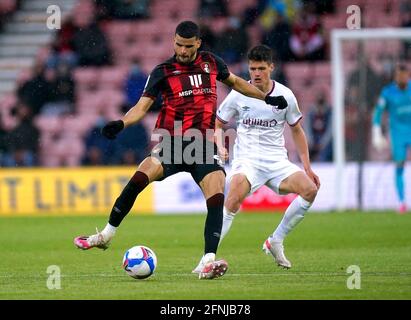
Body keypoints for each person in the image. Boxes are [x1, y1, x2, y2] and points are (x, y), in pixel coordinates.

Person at [74, 21, 288, 280]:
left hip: (202, 145)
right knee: (140, 176)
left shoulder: (212, 63)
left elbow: (237, 83)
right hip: (172, 143)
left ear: (198, 42)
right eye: (178, 44)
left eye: (188, 46)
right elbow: (141, 107)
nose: (183, 51)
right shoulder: (163, 71)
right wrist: (122, 122)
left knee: (217, 190)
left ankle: (208, 260)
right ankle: (106, 235)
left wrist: (265, 98)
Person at [193, 45, 320, 272]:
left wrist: (307, 166)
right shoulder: (238, 94)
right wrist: (219, 145)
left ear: (271, 67)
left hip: (276, 161)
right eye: (253, 69)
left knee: (310, 190)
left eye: (261, 68)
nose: (257, 73)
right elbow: (218, 123)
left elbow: (297, 130)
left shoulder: (286, 96)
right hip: (247, 161)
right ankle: (206, 260)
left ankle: (276, 240)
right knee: (232, 200)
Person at [372, 63, 411, 214]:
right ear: (395, 76)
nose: (402, 78)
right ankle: (402, 202)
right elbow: (378, 113)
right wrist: (377, 133)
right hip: (398, 135)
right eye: (399, 75)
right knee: (400, 166)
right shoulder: (387, 93)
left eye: (405, 75)